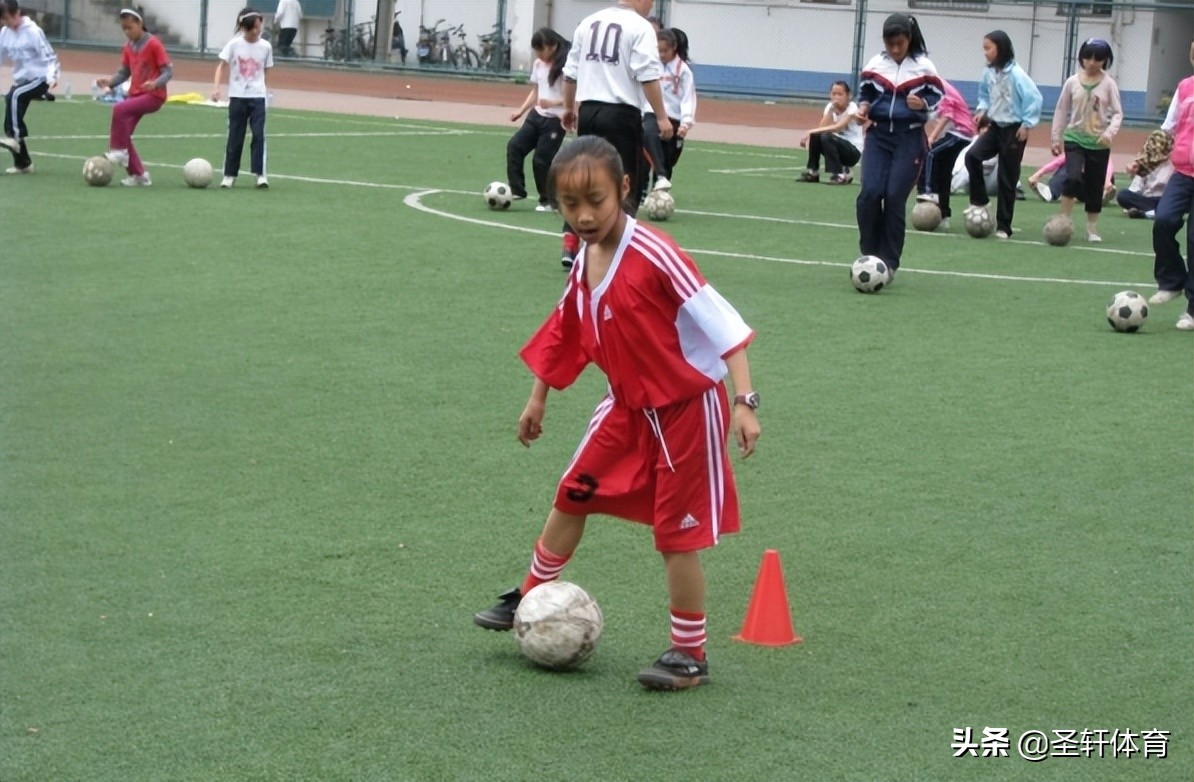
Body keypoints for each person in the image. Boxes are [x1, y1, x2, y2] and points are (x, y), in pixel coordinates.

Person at [472, 136, 760, 691]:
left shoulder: (656, 253)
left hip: (684, 409)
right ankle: (531, 596)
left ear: (625, 190)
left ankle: (689, 653)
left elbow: (726, 326)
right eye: (569, 203)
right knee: (573, 489)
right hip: (626, 406)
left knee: (677, 537)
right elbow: (566, 328)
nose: (583, 215)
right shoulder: (584, 256)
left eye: (596, 201)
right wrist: (538, 397)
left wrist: (745, 404)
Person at [557, 0, 671, 268]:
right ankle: (619, 250)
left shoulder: (588, 22)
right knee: (625, 179)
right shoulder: (640, 27)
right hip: (621, 113)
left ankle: (570, 241)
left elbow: (570, 74)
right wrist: (662, 116)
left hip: (589, 111)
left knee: (584, 175)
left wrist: (568, 108)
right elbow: (647, 75)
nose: (651, 7)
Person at [854, 14, 942, 280]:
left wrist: (924, 104)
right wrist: (863, 107)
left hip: (909, 138)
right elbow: (866, 93)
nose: (894, 49)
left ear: (909, 39)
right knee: (869, 193)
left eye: (900, 44)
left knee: (893, 197)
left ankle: (889, 262)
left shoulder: (924, 66)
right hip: (878, 137)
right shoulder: (875, 64)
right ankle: (869, 256)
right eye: (890, 44)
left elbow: (939, 99)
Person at [964, 30, 1042, 240]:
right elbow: (984, 95)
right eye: (984, 48)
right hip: (996, 127)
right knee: (972, 157)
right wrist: (982, 111)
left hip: (1014, 130)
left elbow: (1034, 98)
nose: (986, 53)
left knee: (1007, 177)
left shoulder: (1017, 75)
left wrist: (1027, 125)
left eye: (989, 48)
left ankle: (1003, 226)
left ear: (1001, 48)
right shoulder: (988, 73)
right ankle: (980, 201)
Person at [1050, 38, 1123, 243]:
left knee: (1095, 184)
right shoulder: (1072, 82)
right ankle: (1063, 221)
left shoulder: (1109, 84)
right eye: (1088, 57)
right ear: (1081, 57)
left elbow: (1118, 113)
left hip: (1099, 142)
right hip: (1074, 137)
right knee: (1072, 177)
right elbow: (1061, 109)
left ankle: (1091, 228)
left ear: (1106, 61)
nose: (1092, 62)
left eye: (1098, 59)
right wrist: (1056, 137)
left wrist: (1109, 132)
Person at [95, 7, 172, 187]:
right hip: (136, 95)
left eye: (130, 27)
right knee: (124, 133)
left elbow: (168, 71)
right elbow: (124, 72)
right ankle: (139, 175)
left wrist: (156, 83)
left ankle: (118, 151)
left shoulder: (154, 44)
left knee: (119, 109)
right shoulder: (128, 47)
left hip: (154, 96)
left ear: (140, 23)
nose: (128, 32)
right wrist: (110, 82)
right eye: (124, 29)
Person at [1148, 39, 1194, 331]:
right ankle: (1172, 280)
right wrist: (1144, 161)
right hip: (1183, 173)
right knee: (1163, 221)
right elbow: (1168, 127)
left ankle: (1192, 309)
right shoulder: (1185, 88)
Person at [506, 27, 569, 211]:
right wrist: (521, 110)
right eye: (536, 51)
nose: (539, 55)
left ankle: (548, 200)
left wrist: (552, 103)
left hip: (555, 121)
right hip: (537, 116)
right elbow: (535, 92)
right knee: (514, 146)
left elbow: (572, 98)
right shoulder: (538, 65)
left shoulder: (566, 67)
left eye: (541, 50)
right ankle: (517, 189)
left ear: (553, 46)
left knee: (541, 160)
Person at [212, 7, 273, 189]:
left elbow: (267, 69)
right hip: (237, 97)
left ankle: (260, 175)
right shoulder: (234, 45)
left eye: (259, 26)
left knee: (258, 134)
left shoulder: (266, 47)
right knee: (235, 136)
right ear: (244, 28)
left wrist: (266, 91)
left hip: (257, 97)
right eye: (253, 27)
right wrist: (216, 88)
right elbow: (221, 66)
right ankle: (229, 175)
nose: (257, 30)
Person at [0, 0, 59, 175]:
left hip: (39, 78)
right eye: (2, 20)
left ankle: (16, 139)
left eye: (7, 18)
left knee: (14, 96)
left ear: (17, 13)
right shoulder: (5, 32)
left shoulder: (33, 31)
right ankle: (23, 163)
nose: (6, 23)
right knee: (10, 120)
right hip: (22, 81)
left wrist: (52, 77)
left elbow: (48, 55)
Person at [640, 27, 696, 194]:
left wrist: (686, 122)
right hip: (652, 113)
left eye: (665, 51)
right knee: (648, 133)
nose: (661, 54)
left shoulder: (683, 71)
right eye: (659, 51)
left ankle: (660, 188)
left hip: (675, 118)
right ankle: (661, 175)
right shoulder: (650, 66)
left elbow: (688, 97)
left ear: (674, 49)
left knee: (668, 157)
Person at [914, 78, 974, 229]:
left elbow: (948, 115)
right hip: (959, 133)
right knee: (944, 173)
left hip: (960, 133)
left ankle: (929, 191)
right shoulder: (930, 89)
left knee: (931, 154)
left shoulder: (939, 87)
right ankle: (944, 215)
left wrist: (932, 137)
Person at [798, 80, 864, 186]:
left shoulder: (852, 108)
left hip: (853, 151)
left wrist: (810, 131)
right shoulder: (830, 107)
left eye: (840, 94)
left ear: (848, 96)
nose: (836, 97)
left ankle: (839, 173)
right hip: (835, 145)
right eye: (834, 94)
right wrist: (830, 111)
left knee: (825, 136)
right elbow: (821, 128)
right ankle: (813, 171)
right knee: (817, 135)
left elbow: (838, 127)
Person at [1116, 129, 1173, 219]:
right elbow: (1135, 188)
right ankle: (1152, 212)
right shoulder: (1144, 162)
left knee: (1179, 202)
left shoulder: (1174, 162)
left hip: (1166, 199)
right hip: (1147, 199)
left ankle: (1145, 213)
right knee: (1123, 195)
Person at [1027, 151, 1115, 204]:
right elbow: (1056, 162)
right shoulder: (1075, 149)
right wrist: (1037, 175)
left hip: (1098, 182)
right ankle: (1050, 192)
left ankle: (1103, 195)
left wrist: (1107, 181)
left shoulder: (1100, 148)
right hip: (1079, 184)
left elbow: (1108, 166)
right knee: (1067, 168)